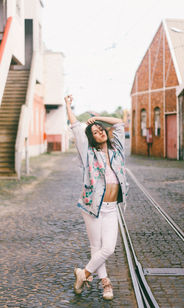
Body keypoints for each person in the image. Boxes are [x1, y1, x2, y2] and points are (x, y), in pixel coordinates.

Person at [65, 95, 128, 300]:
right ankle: (105, 283)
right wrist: (67, 106)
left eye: (100, 129)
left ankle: (82, 274)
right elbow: (76, 127)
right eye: (95, 132)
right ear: (91, 138)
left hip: (111, 207)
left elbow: (119, 123)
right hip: (92, 207)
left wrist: (99, 118)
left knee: (108, 248)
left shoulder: (117, 148)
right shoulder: (89, 153)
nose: (99, 132)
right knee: (97, 246)